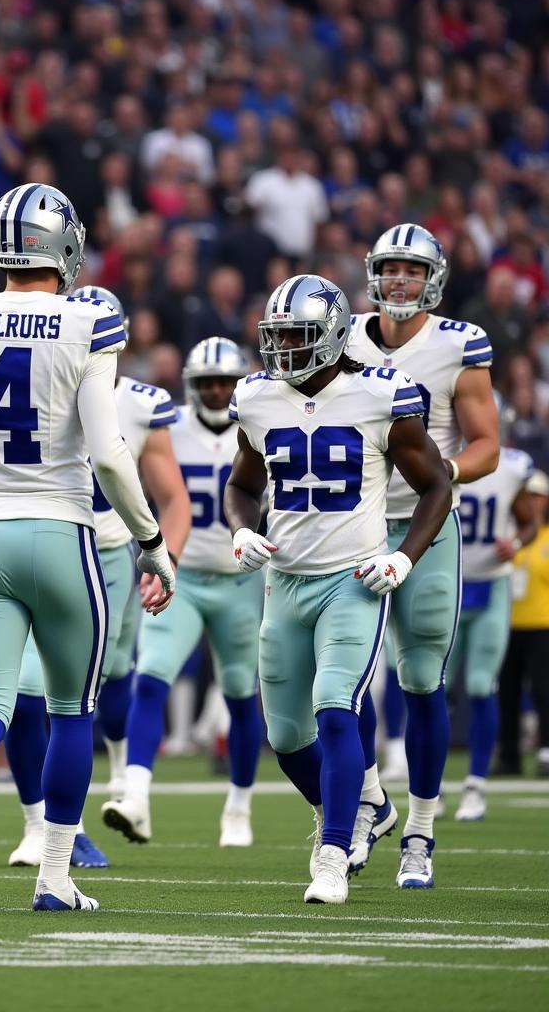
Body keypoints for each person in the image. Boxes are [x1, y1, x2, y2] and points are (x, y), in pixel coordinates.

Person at [0, 183, 175, 913]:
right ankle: (54, 879)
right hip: (62, 532)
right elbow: (113, 457)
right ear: (63, 246)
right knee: (71, 713)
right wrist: (151, 542)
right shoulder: (87, 320)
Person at [224, 274, 451, 904]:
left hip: (351, 580)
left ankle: (331, 853)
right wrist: (243, 531)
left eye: (296, 337)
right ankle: (366, 807)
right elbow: (242, 486)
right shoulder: (259, 398)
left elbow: (437, 486)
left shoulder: (382, 395)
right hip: (284, 581)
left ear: (329, 337)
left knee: (335, 708)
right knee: (285, 737)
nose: (283, 352)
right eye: (276, 338)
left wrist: (405, 559)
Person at [346, 223, 499, 887]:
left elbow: (487, 443)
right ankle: (370, 800)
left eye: (413, 270)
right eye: (391, 269)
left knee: (422, 683)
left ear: (432, 277)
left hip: (428, 529)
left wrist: (446, 477)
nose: (401, 281)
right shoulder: (340, 334)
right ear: (373, 273)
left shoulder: (458, 345)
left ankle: (421, 830)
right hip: (352, 527)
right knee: (345, 677)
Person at [102, 337, 263, 850]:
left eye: (224, 382)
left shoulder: (260, 426)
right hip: (184, 576)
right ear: (191, 387)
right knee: (151, 680)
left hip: (242, 581)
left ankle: (238, 806)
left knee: (241, 695)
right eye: (207, 383)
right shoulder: (166, 425)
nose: (216, 391)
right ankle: (137, 796)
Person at [445, 423, 540, 820]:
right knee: (433, 687)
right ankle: (428, 787)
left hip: (490, 589)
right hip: (446, 585)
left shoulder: (513, 467)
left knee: (483, 685)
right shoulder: (442, 457)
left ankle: (475, 786)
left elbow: (529, 523)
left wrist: (515, 544)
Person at [496, 470, 549, 778]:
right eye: (527, 495)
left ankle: (545, 750)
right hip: (508, 623)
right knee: (507, 693)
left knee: (544, 691)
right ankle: (509, 754)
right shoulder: (506, 534)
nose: (532, 501)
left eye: (538, 495)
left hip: (543, 625)